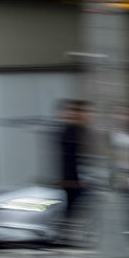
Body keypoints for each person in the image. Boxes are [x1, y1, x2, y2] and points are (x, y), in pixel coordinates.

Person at [57, 99, 88, 242]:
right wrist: (68, 179)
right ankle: (66, 236)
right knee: (69, 210)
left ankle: (70, 236)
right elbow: (65, 160)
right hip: (71, 181)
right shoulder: (66, 132)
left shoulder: (85, 133)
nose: (75, 114)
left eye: (79, 111)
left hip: (83, 181)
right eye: (72, 111)